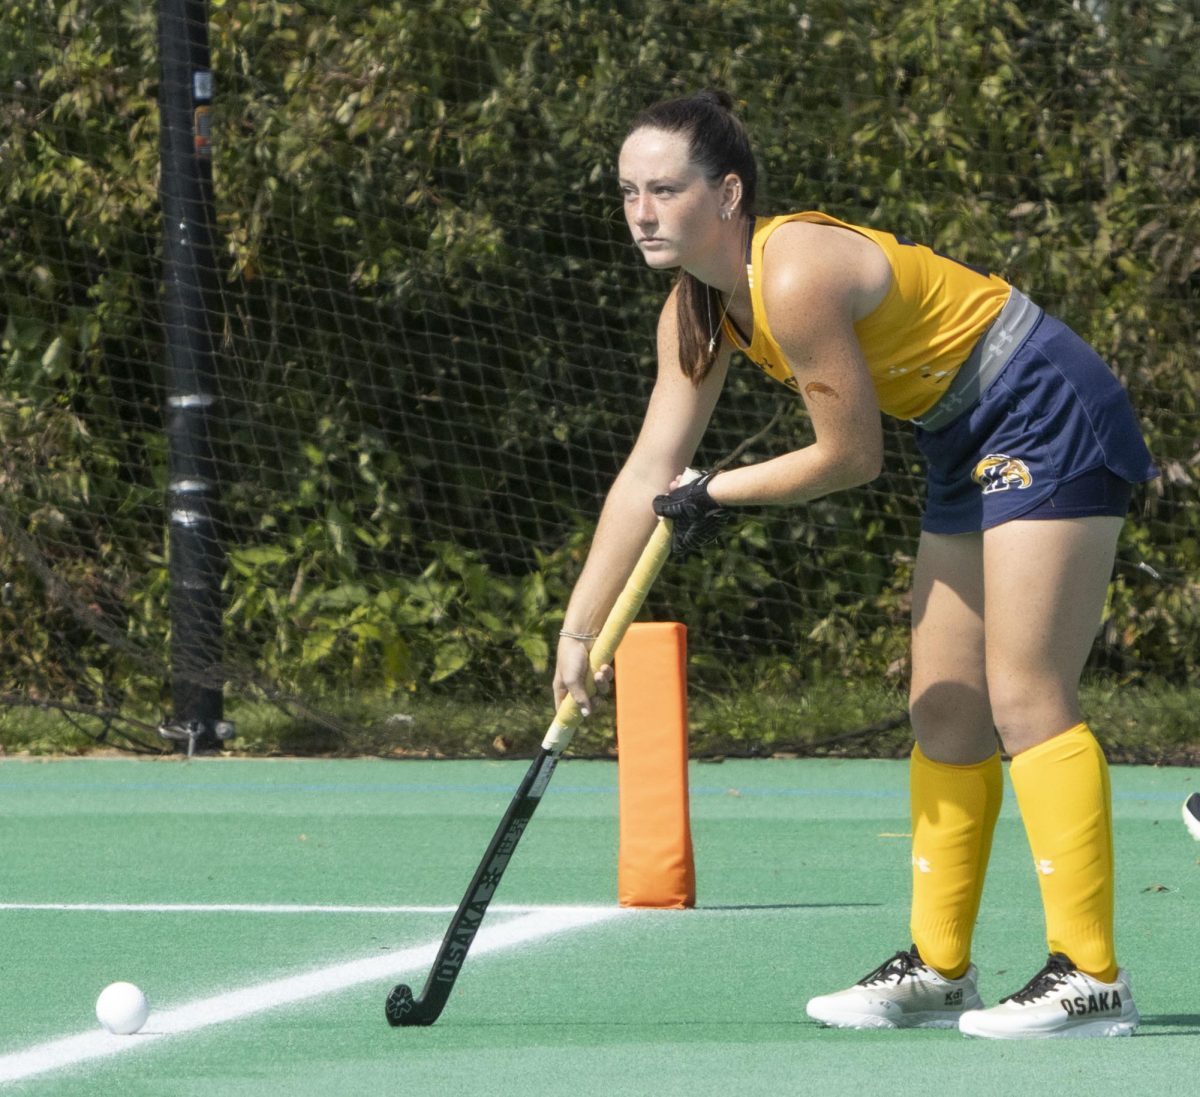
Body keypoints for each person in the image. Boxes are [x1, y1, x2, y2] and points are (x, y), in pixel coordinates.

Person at [552, 89, 1157, 1039]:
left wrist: (717, 490)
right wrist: (583, 626)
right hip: (962, 429)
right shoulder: (699, 312)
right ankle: (941, 965)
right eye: (628, 191)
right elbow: (647, 469)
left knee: (1025, 689)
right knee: (944, 704)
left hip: (1043, 403)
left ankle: (1090, 974)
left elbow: (849, 457)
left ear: (727, 192)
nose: (641, 212)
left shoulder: (792, 274)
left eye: (664, 188)